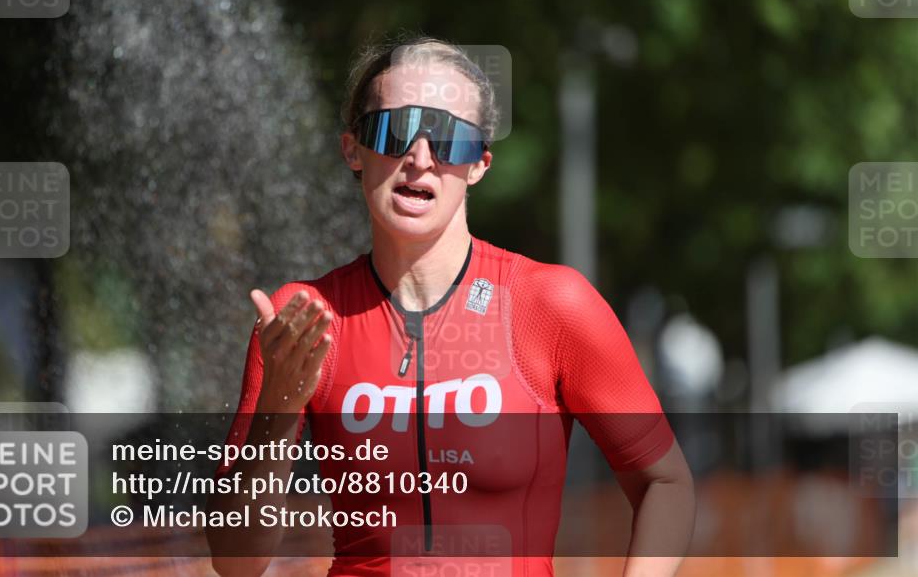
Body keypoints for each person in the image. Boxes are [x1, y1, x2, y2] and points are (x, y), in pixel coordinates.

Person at [208, 36, 695, 577]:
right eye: (394, 131)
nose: (420, 159)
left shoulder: (549, 304)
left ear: (479, 163)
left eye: (449, 139)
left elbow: (666, 482)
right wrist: (277, 408)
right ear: (353, 149)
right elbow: (235, 561)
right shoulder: (304, 318)